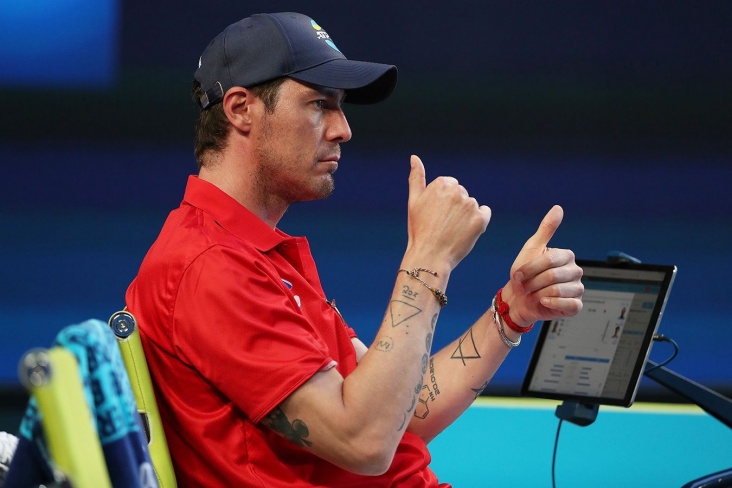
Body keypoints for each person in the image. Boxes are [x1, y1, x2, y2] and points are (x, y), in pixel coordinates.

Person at [125, 11, 584, 487]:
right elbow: (364, 440)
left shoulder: (253, 255)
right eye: (319, 104)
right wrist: (428, 260)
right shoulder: (209, 266)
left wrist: (510, 313)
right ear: (241, 109)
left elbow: (400, 413)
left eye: (340, 107)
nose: (343, 129)